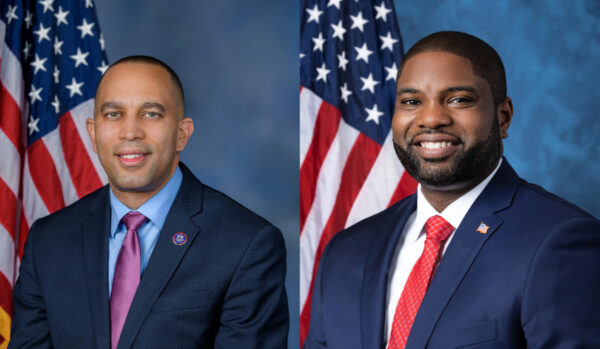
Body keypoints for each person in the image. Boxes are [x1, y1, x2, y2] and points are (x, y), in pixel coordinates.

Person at [303, 31, 600, 349]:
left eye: (459, 100)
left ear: (503, 117)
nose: (431, 118)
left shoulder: (560, 241)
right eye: (412, 102)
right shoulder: (346, 251)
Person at [9, 56, 289, 349]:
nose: (130, 132)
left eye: (151, 114)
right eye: (114, 114)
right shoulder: (48, 240)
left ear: (182, 133)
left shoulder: (246, 244)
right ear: (92, 133)